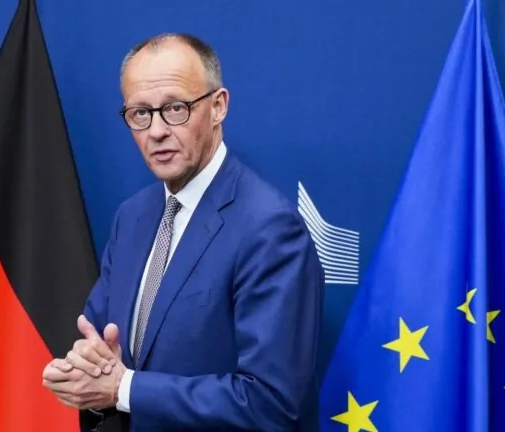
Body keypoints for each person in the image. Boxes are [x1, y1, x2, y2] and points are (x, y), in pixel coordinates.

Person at [42, 33, 324, 431]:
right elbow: (102, 346)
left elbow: (271, 403)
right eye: (140, 113)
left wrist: (123, 388)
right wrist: (85, 376)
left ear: (218, 107)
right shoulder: (132, 216)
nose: (156, 130)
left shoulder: (269, 228)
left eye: (175, 108)